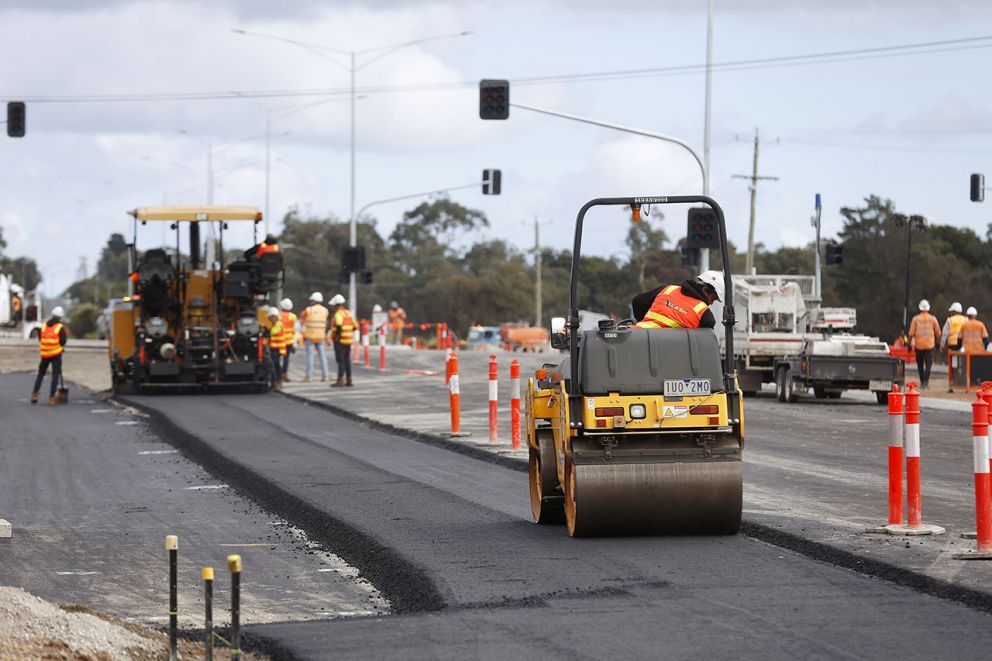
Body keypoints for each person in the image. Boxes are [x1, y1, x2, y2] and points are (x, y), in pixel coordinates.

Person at [632, 270, 724, 329]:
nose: (711, 303)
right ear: (705, 290)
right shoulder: (705, 315)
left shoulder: (668, 289)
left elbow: (638, 301)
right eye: (713, 298)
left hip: (638, 335)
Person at [32, 306, 68, 405]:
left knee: (41, 374)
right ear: (60, 317)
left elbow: (41, 339)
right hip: (56, 354)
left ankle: (34, 394)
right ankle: (52, 397)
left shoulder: (43, 326)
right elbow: (63, 341)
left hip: (44, 354)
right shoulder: (60, 327)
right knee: (55, 375)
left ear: (52, 315)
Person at [908, 299, 941, 389]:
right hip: (930, 345)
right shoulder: (933, 319)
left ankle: (922, 381)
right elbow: (938, 333)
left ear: (920, 308)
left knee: (920, 365)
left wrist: (909, 345)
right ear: (928, 308)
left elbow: (911, 333)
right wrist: (938, 343)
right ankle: (925, 383)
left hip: (919, 346)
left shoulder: (915, 319)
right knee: (928, 365)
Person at [299, 292, 329, 382]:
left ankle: (309, 376)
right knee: (322, 356)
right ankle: (325, 375)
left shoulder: (309, 310)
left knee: (310, 357)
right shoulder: (325, 310)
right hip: (320, 336)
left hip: (310, 336)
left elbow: (302, 316)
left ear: (313, 301)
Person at [327, 294, 355, 387]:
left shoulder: (338, 314)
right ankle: (349, 379)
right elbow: (355, 326)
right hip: (348, 340)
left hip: (340, 340)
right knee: (347, 360)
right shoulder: (348, 313)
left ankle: (340, 380)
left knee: (340, 360)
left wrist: (337, 337)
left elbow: (339, 325)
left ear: (336, 305)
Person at [266, 306, 286, 388]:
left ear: (274, 317)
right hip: (274, 348)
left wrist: (265, 330)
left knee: (276, 365)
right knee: (274, 365)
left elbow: (272, 332)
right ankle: (275, 382)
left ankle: (278, 381)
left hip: (277, 349)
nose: (270, 319)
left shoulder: (278, 325)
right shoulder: (274, 324)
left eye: (271, 317)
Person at [278, 298, 297, 381]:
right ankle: (284, 374)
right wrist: (294, 343)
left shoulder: (278, 315)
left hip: (279, 340)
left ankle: (278, 374)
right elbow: (294, 330)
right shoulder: (293, 316)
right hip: (289, 341)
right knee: (286, 358)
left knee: (277, 358)